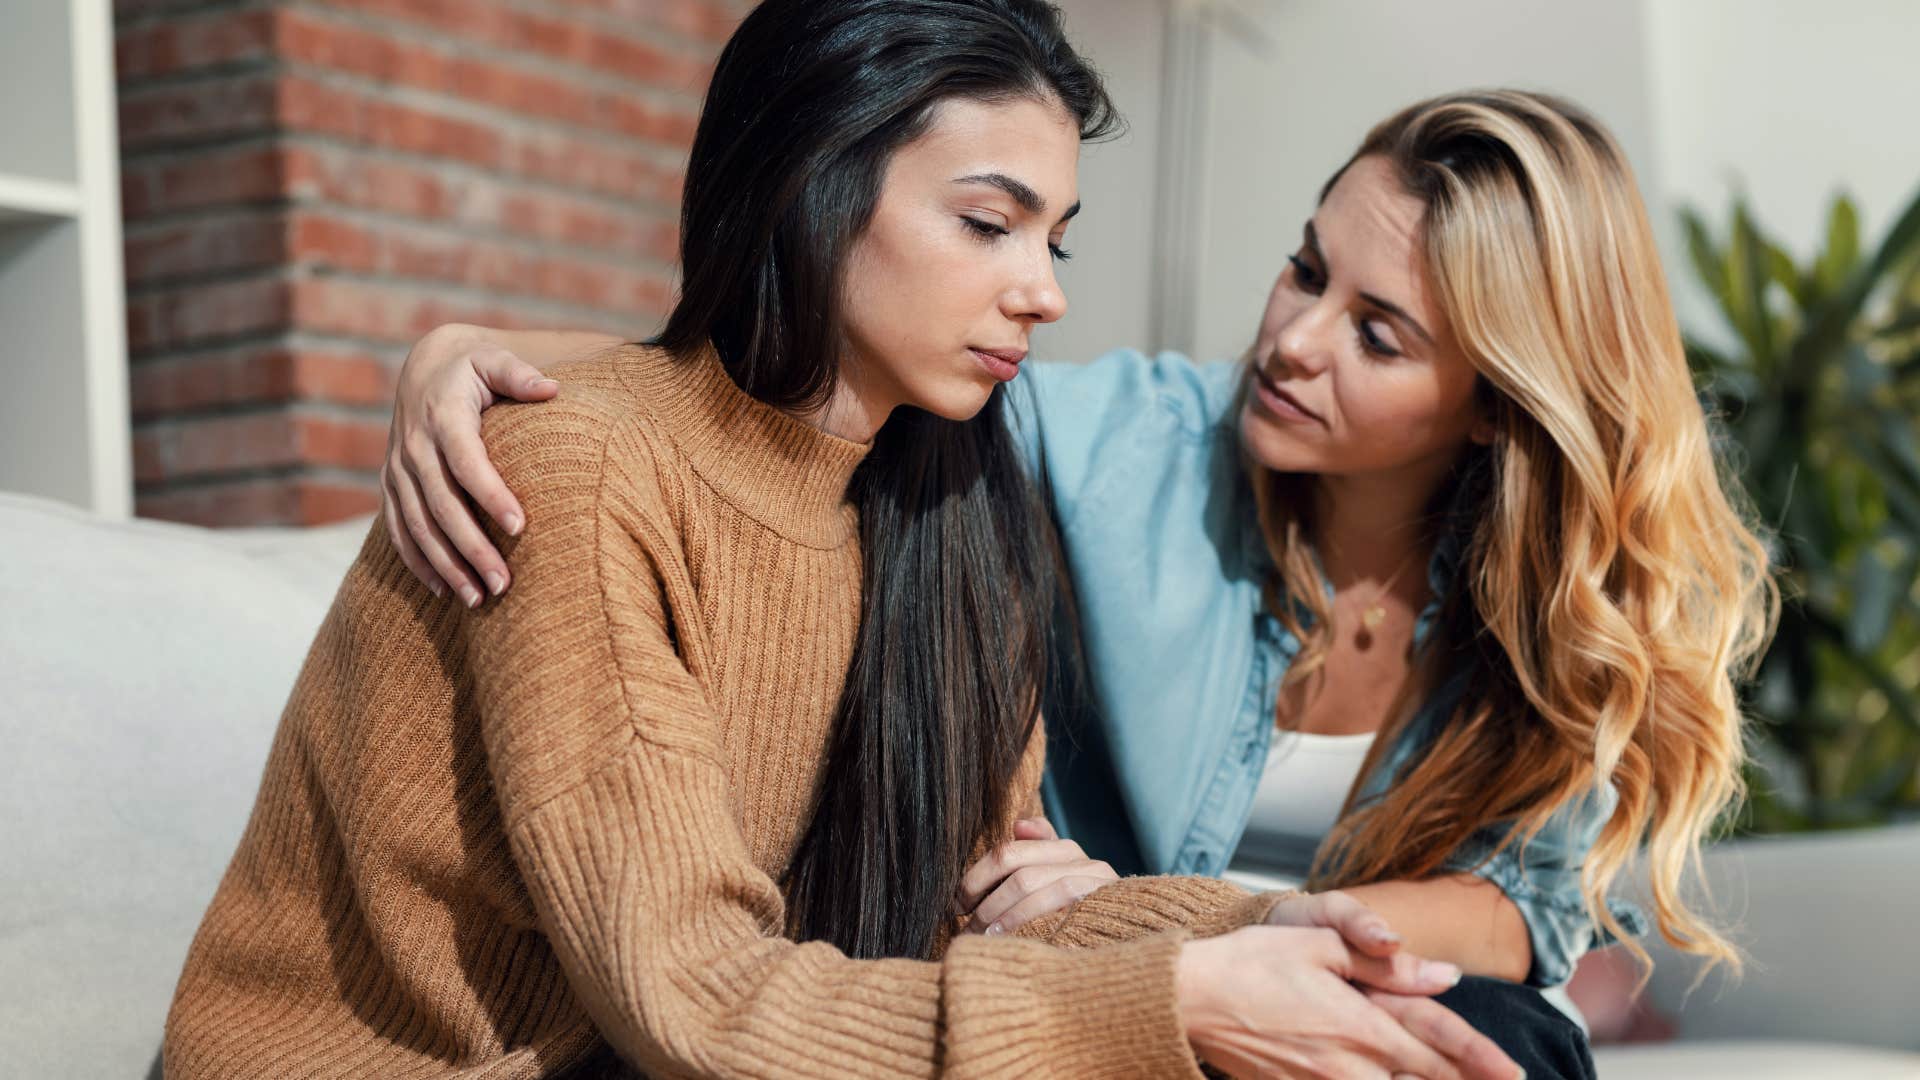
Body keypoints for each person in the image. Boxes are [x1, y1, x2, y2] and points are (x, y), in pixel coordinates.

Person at [164, 2, 1525, 1077]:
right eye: (989, 223)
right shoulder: (572, 465)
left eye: (1054, 236)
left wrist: (1262, 933)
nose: (1044, 292)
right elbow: (691, 995)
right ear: (816, 183)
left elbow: (992, 892)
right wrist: (1170, 999)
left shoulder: (949, 508)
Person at [388, 89, 1778, 1077]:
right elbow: (791, 394)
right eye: (1304, 269)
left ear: (1491, 406)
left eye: (1379, 334)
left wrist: (1263, 935)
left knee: (1514, 1038)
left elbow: (1520, 916)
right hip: (1078, 980)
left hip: (1234, 951)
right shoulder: (1117, 445)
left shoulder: (1546, 602)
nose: (1293, 340)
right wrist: (471, 346)